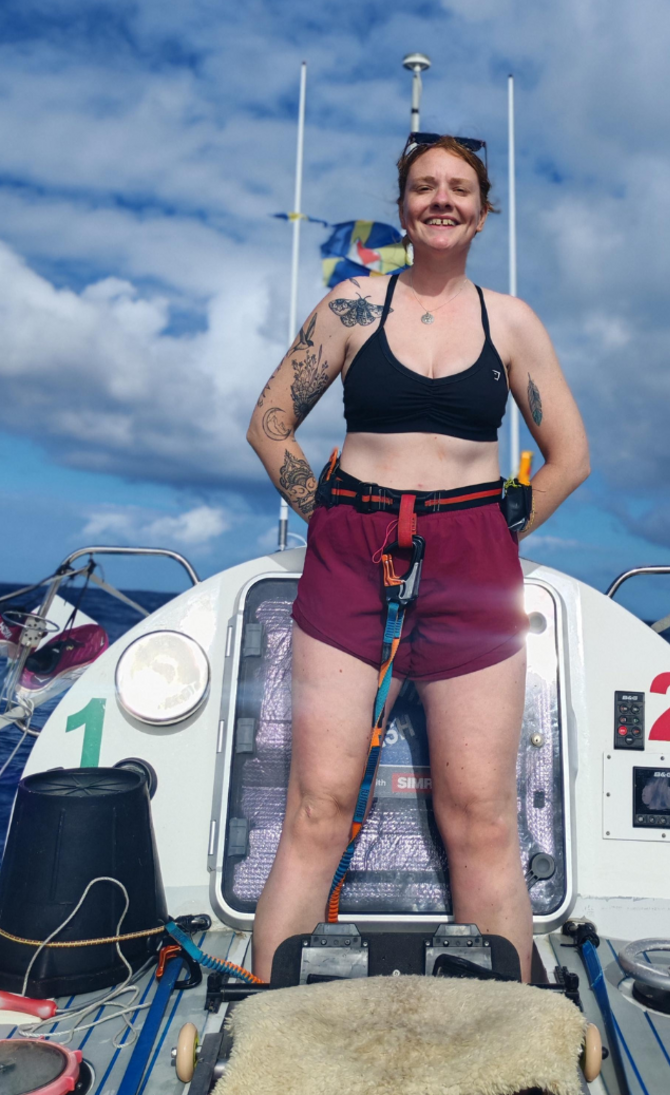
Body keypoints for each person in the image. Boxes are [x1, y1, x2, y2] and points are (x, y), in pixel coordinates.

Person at [246, 134, 589, 982]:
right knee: (318, 808)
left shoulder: (512, 322)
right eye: (425, 186)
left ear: (483, 211)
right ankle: (265, 1017)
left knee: (481, 816)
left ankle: (509, 1025)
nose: (442, 199)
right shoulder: (351, 307)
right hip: (351, 553)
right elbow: (270, 425)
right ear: (403, 208)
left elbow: (570, 458)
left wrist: (496, 536)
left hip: (474, 565)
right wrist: (328, 521)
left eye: (459, 188)